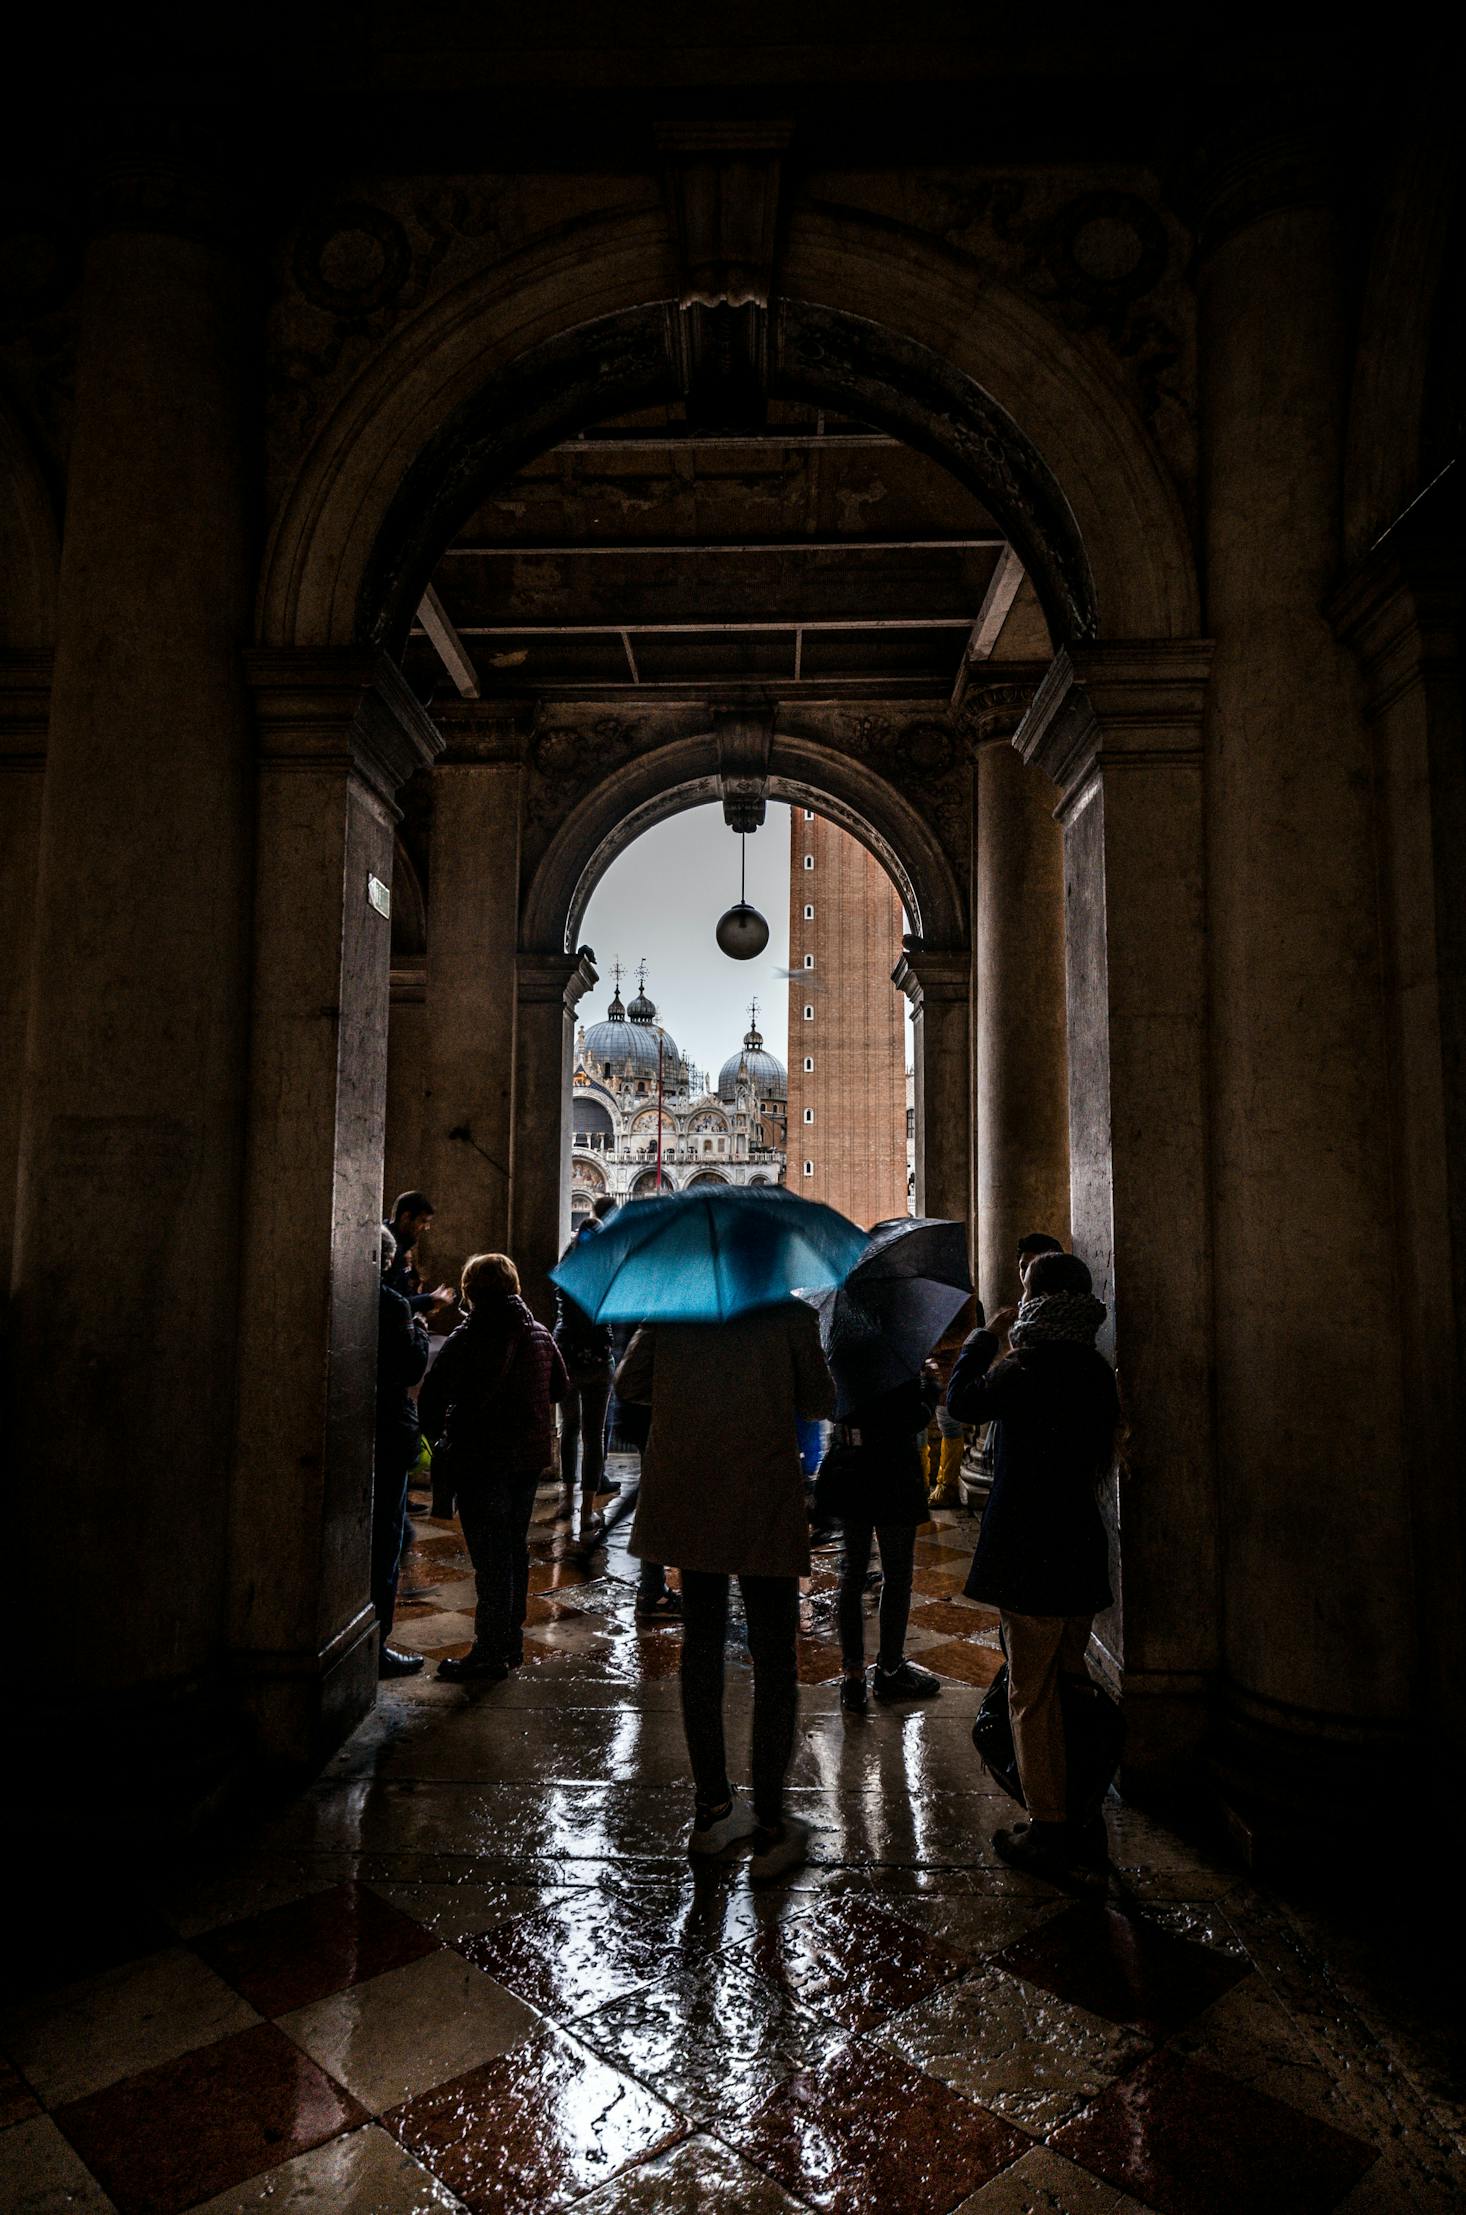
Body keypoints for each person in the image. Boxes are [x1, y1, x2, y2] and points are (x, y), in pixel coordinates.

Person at [616, 1299, 836, 1880]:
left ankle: (713, 1809)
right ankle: (768, 1816)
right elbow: (820, 1400)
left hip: (688, 1490)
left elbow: (629, 1381)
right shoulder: (790, 1316)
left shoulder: (672, 1309)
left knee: (702, 1648)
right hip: (763, 1492)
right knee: (774, 1655)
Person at [947, 1249, 1119, 1878]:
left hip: (1030, 1551)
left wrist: (984, 1338)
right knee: (1070, 1683)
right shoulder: (1096, 1372)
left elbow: (961, 1402)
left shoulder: (1023, 1366)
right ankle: (1083, 1812)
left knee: (1031, 1694)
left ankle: (1050, 1828)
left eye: (1025, 1288)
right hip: (1080, 1546)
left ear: (1038, 1298)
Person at [418, 1252, 569, 1683]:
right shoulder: (538, 1332)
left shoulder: (470, 1336)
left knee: (489, 1557)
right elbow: (559, 1386)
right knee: (512, 1548)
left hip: (482, 1458)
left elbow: (431, 1395)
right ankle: (511, 1641)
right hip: (525, 1461)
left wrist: (440, 1439)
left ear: (471, 1291)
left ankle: (487, 1651)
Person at [831, 1366, 945, 1713]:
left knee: (852, 1575)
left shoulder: (840, 1353)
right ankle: (890, 1668)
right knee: (897, 1576)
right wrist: (929, 1385)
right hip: (894, 1472)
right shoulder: (897, 1358)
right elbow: (913, 1418)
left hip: (852, 1469)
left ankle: (853, 1676)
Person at [374, 1227, 431, 1678]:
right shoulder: (391, 1304)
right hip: (387, 1430)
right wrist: (416, 1327)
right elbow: (413, 1366)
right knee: (386, 1537)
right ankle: (376, 1644)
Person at [554, 1214, 617, 1542]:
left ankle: (566, 1499)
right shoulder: (606, 1271)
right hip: (596, 1357)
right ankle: (587, 1508)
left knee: (570, 1427)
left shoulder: (567, 1264)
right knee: (593, 1435)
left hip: (566, 1352)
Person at [384, 1189, 455, 1317]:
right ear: (406, 1217)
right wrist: (429, 1300)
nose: (426, 1228)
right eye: (423, 1221)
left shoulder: (403, 1245)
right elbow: (388, 1305)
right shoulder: (387, 1249)